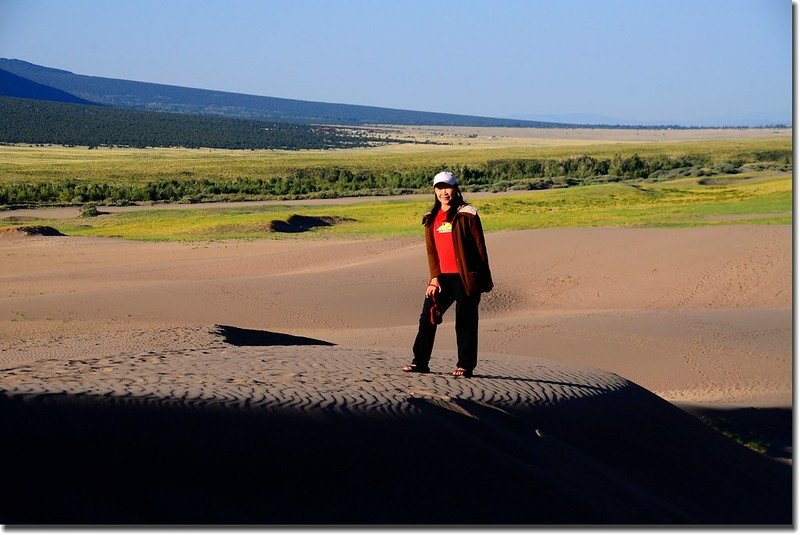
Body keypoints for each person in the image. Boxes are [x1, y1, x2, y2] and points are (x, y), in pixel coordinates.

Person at [403, 171, 493, 378]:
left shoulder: (467, 214)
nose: (444, 192)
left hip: (466, 277)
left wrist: (483, 278)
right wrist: (433, 278)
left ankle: (465, 365)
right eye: (440, 188)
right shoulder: (430, 218)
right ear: (434, 190)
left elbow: (481, 248)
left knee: (465, 321)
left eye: (448, 187)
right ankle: (420, 362)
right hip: (442, 278)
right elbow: (431, 251)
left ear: (456, 189)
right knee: (428, 318)